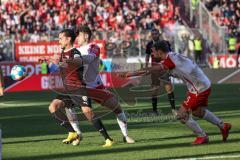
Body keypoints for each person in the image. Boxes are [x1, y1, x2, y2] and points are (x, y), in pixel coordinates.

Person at [124, 41, 232, 145]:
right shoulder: (171, 57)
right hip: (201, 85)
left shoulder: (169, 60)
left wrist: (130, 74)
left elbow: (151, 70)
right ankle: (223, 126)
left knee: (181, 115)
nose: (152, 54)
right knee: (197, 112)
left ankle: (202, 136)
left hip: (199, 88)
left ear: (160, 52)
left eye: (153, 52)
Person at [48, 29, 113, 147]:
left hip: (78, 88)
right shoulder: (63, 52)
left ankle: (108, 139)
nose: (59, 41)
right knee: (53, 106)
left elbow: (78, 62)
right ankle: (72, 132)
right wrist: (53, 60)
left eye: (61, 38)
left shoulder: (75, 52)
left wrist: (62, 60)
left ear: (68, 39)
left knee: (88, 113)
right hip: (68, 90)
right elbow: (65, 66)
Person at [145, 28, 175, 114]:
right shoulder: (149, 45)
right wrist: (146, 67)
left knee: (169, 88)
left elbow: (170, 55)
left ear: (159, 34)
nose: (154, 35)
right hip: (154, 70)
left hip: (164, 69)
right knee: (155, 90)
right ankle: (154, 110)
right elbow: (147, 56)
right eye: (153, 34)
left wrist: (170, 67)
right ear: (151, 35)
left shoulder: (165, 43)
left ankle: (173, 109)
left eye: (156, 33)